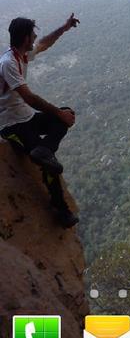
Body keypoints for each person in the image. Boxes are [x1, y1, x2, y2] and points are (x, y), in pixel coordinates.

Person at [0, 14, 80, 228]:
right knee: (50, 164)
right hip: (11, 125)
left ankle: (44, 150)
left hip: (27, 116)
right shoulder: (8, 63)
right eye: (32, 34)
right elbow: (29, 97)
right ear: (26, 38)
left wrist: (64, 27)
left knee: (66, 114)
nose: (35, 37)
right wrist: (57, 113)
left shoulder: (22, 55)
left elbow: (45, 43)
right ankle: (61, 211)